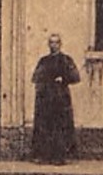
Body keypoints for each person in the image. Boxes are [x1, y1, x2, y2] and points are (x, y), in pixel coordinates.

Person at [30, 33, 81, 163]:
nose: (54, 45)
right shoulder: (43, 61)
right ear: (48, 45)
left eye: (56, 42)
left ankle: (60, 156)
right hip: (46, 99)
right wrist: (45, 81)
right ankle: (44, 156)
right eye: (51, 42)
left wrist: (63, 79)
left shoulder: (66, 60)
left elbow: (75, 77)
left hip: (60, 99)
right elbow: (35, 77)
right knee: (45, 127)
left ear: (60, 44)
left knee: (60, 127)